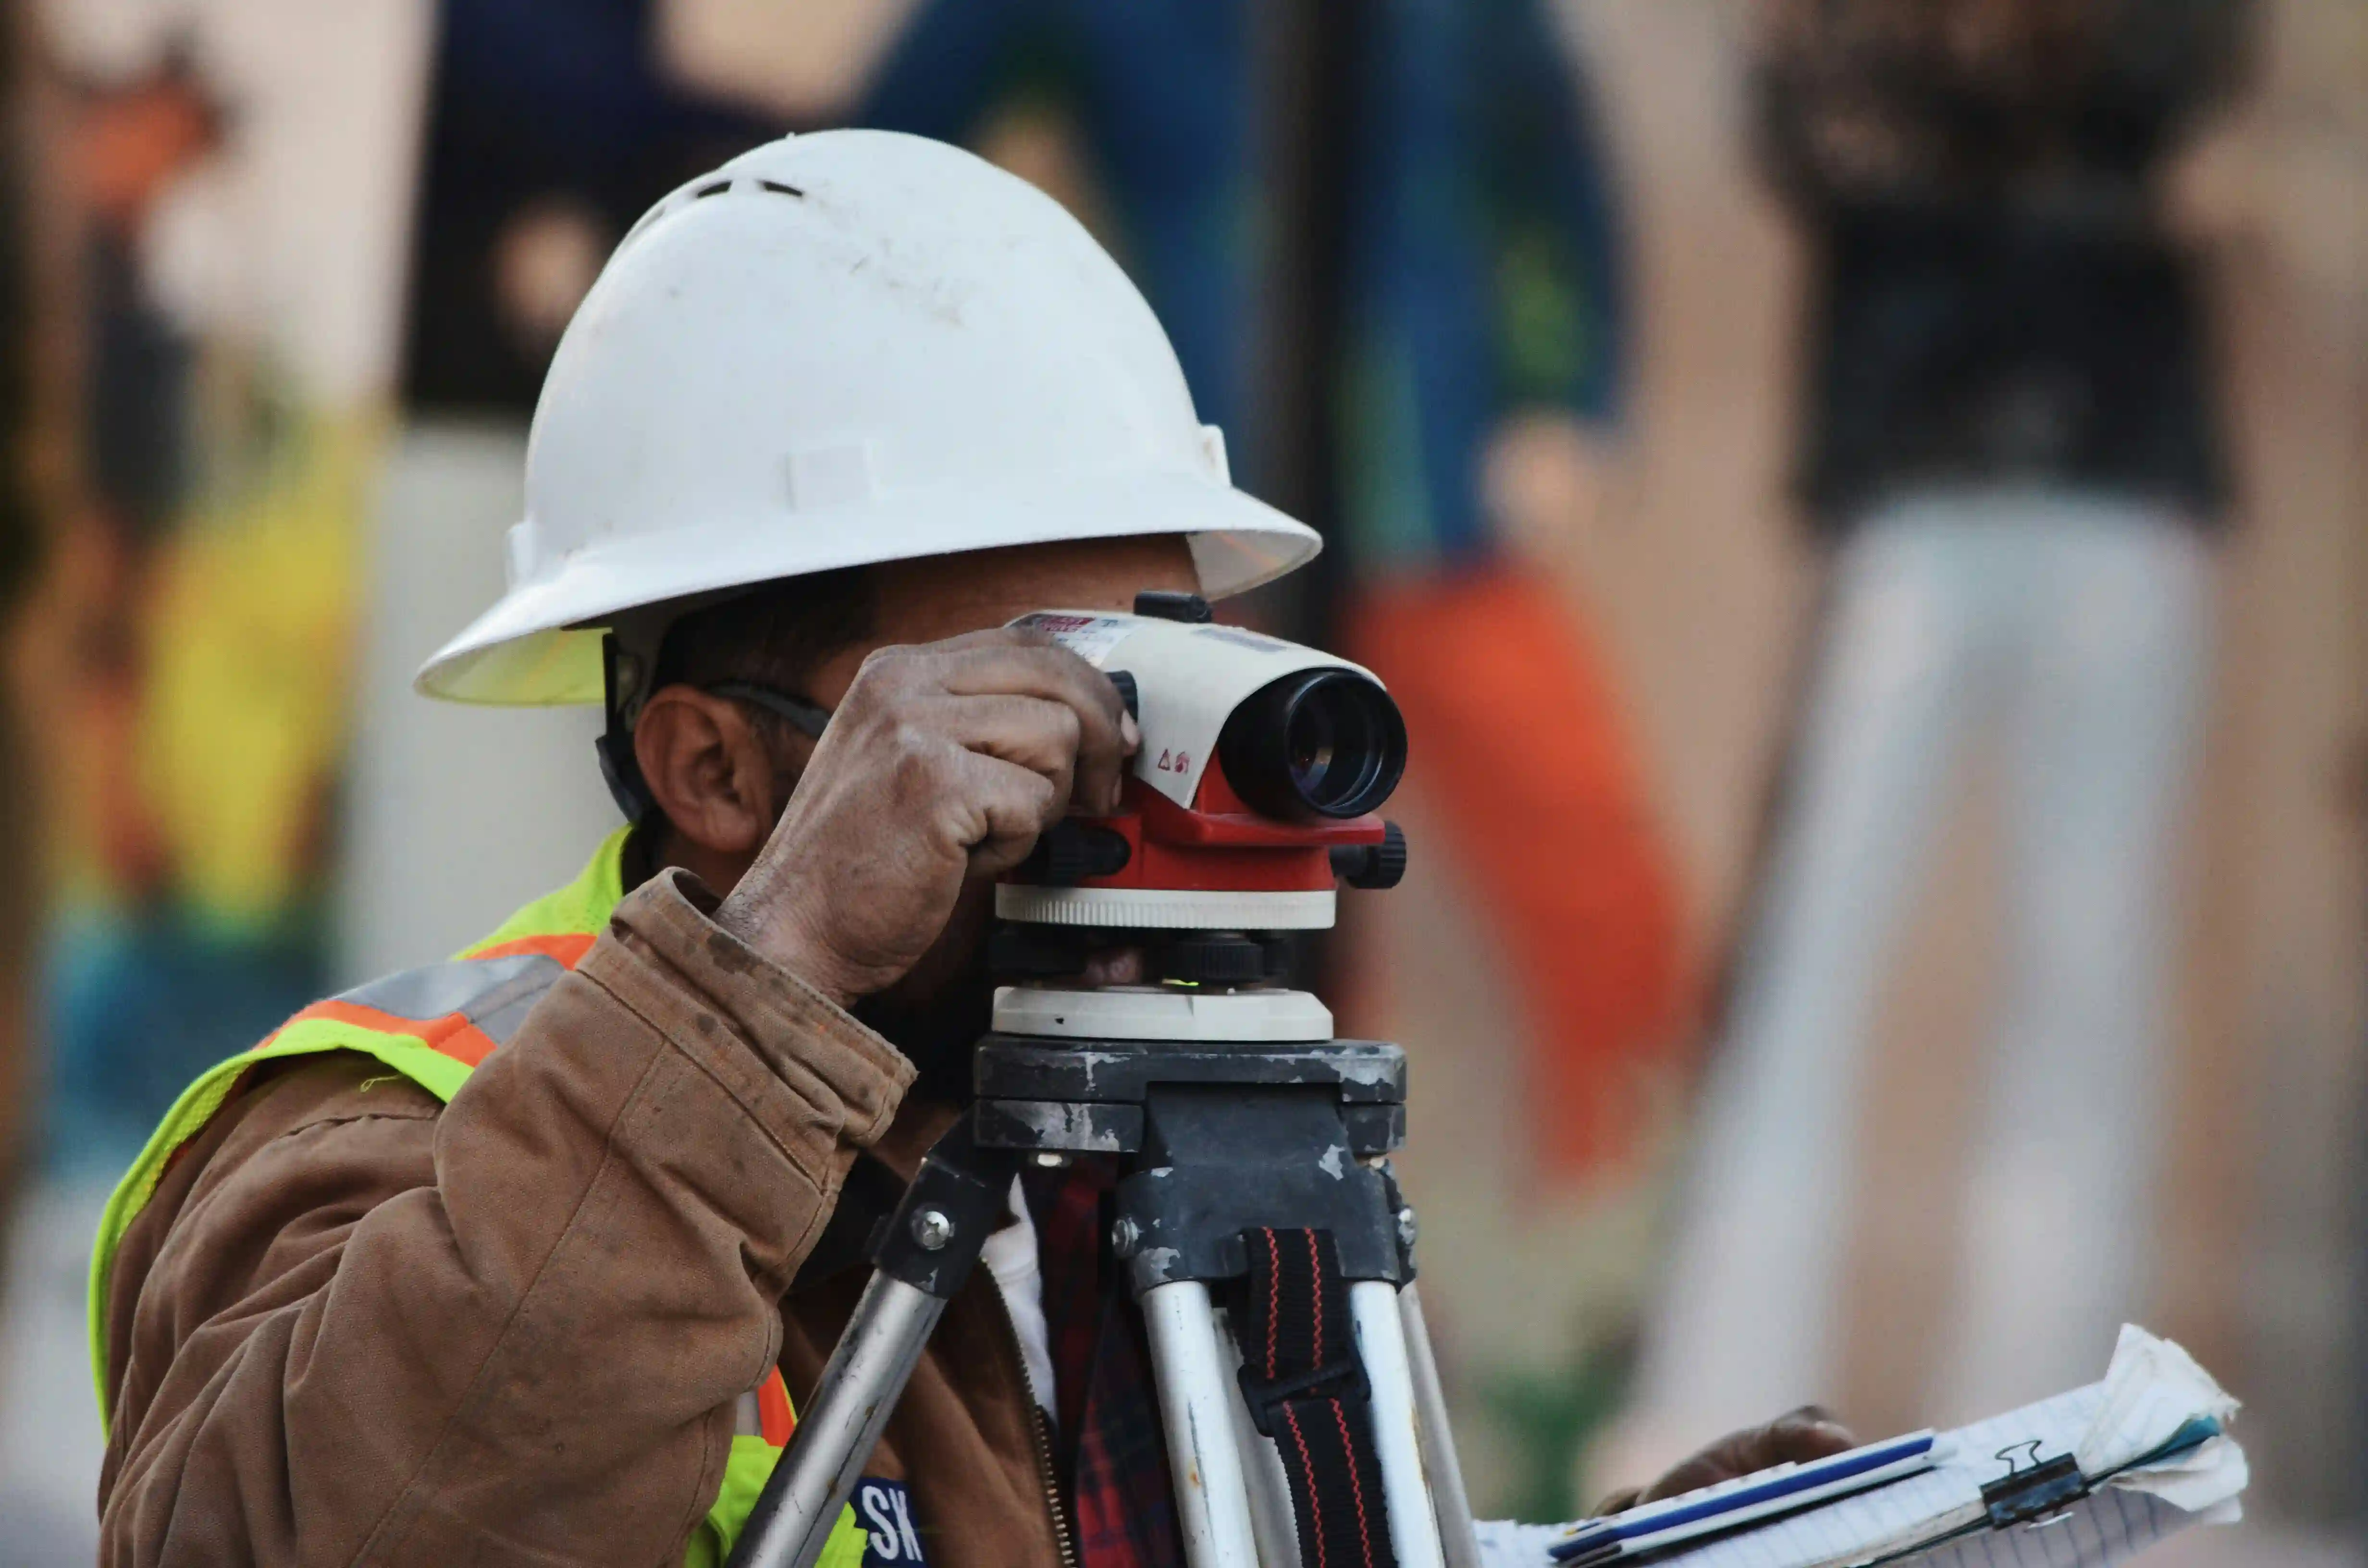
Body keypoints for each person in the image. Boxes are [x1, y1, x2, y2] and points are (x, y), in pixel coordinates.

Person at [90, 131, 1847, 1567]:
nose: (1125, 776)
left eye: (1160, 658)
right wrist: (775, 971)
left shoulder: (1161, 1158)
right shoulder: (383, 1126)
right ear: (711, 768)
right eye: (1034, 698)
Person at [1620, 0, 2251, 1458]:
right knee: (1810, 962)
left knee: (2087, 983)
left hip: (2116, 472)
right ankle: (1718, 1408)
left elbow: (2193, 83)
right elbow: (1820, 133)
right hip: (1916, 473)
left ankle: (2041, 1434)